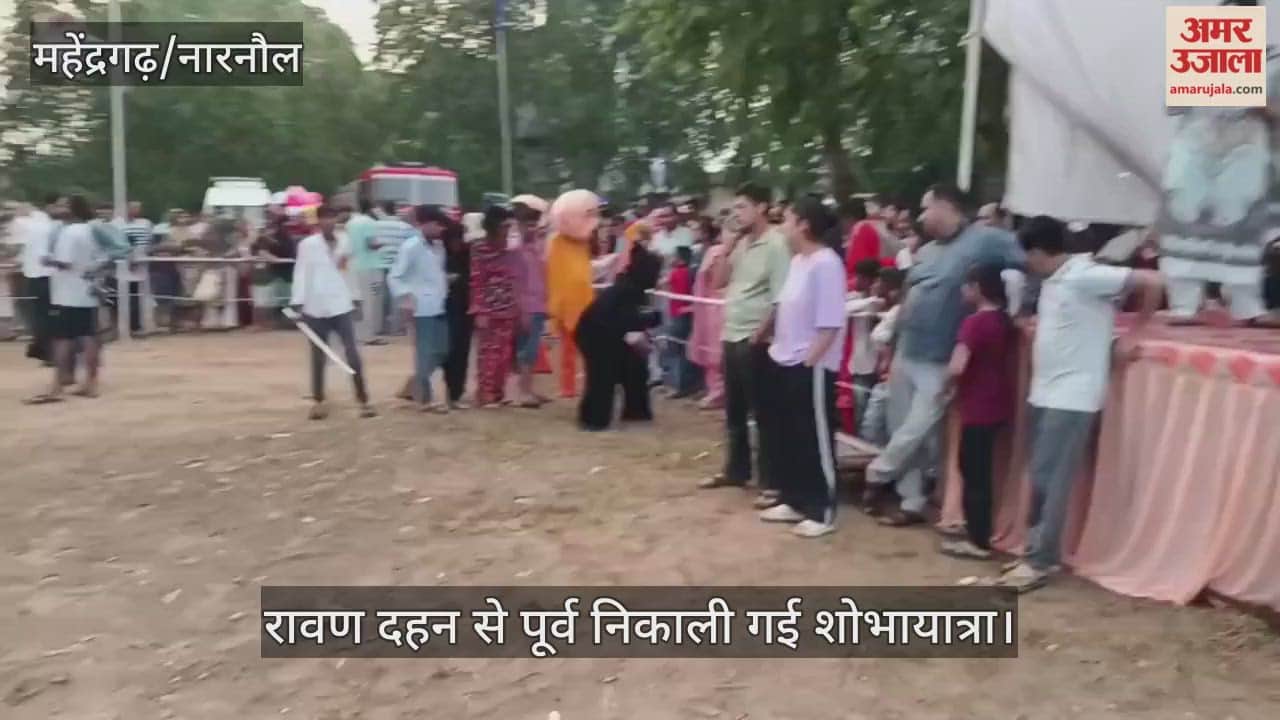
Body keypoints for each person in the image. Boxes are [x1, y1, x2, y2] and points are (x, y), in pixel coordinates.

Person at [994, 216, 1163, 592]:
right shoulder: (1056, 280)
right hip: (1046, 390)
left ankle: (1042, 559)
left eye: (1028, 255)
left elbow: (1151, 281)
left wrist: (1134, 334)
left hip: (1072, 395)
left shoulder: (1084, 274)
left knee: (1051, 478)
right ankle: (1036, 551)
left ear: (1038, 252)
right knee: (1040, 475)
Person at [863, 184, 1025, 527]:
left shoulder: (986, 239)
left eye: (925, 208)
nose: (920, 217)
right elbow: (908, 295)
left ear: (946, 206)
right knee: (902, 427)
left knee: (918, 426)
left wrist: (1022, 310)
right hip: (907, 349)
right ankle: (911, 501)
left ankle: (877, 473)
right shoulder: (926, 252)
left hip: (942, 356)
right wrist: (893, 340)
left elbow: (1029, 263)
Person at [756, 196, 847, 538]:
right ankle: (794, 499)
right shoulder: (798, 262)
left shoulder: (827, 264)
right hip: (785, 358)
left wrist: (810, 362)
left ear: (804, 225)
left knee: (814, 437)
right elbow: (785, 306)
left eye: (788, 219)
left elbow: (830, 324)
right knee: (789, 435)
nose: (783, 225)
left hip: (812, 364)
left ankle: (822, 508)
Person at [698, 183, 792, 511]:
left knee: (764, 413)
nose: (736, 213)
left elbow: (782, 298)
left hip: (756, 338)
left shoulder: (777, 245)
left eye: (742, 207)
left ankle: (772, 482)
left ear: (762, 207)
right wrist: (726, 246)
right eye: (734, 208)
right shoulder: (740, 243)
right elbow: (719, 281)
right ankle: (736, 470)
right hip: (731, 333)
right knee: (734, 411)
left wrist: (761, 334)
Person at [940, 264, 1017, 561]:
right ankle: (978, 531)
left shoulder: (974, 324)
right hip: (997, 400)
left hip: (977, 404)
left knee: (973, 471)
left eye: (967, 286)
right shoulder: (1002, 321)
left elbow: (957, 366)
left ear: (977, 288)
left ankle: (978, 538)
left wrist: (945, 387)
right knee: (980, 471)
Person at [290, 205, 376, 421]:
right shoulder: (307, 245)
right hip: (315, 306)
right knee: (318, 357)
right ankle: (319, 401)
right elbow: (301, 273)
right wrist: (298, 303)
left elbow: (349, 270)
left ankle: (363, 400)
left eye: (332, 218)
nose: (329, 222)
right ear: (318, 222)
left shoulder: (345, 242)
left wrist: (356, 297)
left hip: (341, 304)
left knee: (352, 353)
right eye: (325, 219)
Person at [575, 241, 663, 431]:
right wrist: (647, 318)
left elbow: (629, 321)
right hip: (594, 335)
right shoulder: (626, 290)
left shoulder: (632, 288)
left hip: (608, 333)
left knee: (635, 368)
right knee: (602, 376)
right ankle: (593, 419)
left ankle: (636, 410)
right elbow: (623, 319)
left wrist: (645, 321)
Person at [27, 195, 101, 403]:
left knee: (62, 340)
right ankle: (90, 384)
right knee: (88, 338)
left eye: (63, 205)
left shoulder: (69, 232)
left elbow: (65, 263)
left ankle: (57, 386)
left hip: (68, 293)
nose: (58, 208)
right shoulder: (89, 229)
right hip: (86, 291)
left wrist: (47, 260)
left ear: (72, 209)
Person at [389, 205, 451, 413]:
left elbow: (435, 273)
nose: (440, 229)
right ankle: (425, 398)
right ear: (424, 224)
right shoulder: (411, 247)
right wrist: (405, 299)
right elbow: (395, 275)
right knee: (424, 352)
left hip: (439, 303)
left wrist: (446, 281)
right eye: (437, 224)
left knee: (443, 350)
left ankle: (415, 384)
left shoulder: (438, 247)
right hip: (420, 306)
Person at [545, 190, 601, 399]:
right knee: (568, 349)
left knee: (588, 348)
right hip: (565, 302)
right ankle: (568, 387)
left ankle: (589, 383)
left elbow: (590, 264)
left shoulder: (585, 242)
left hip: (585, 301)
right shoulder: (556, 241)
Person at [470, 205, 519, 408]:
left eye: (509, 225)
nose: (507, 230)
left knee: (505, 352)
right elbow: (476, 280)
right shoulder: (479, 248)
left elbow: (515, 277)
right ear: (494, 226)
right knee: (488, 352)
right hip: (488, 308)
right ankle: (485, 392)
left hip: (508, 306)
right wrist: (479, 309)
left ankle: (499, 391)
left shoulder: (509, 248)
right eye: (504, 225)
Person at [511, 200, 550, 408]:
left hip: (539, 304)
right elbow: (516, 283)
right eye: (528, 224)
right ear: (520, 225)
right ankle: (522, 392)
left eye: (534, 224)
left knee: (533, 350)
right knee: (527, 349)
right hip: (527, 306)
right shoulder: (517, 251)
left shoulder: (536, 249)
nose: (532, 228)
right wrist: (521, 309)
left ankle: (528, 389)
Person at [688, 223, 730, 411]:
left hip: (726, 304)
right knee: (711, 350)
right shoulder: (714, 251)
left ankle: (723, 393)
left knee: (723, 352)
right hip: (711, 304)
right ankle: (714, 391)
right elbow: (704, 277)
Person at [844, 259, 885, 434]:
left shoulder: (884, 300)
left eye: (860, 277)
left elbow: (877, 306)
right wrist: (869, 300)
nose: (856, 281)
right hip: (860, 364)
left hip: (878, 363)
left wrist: (874, 298)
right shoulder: (856, 298)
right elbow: (843, 308)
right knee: (861, 411)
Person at [19, 195, 58, 364]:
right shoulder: (49, 226)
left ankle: (43, 350)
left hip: (34, 275)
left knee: (41, 316)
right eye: (59, 205)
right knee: (51, 316)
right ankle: (48, 352)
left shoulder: (35, 225)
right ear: (50, 206)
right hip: (47, 275)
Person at [372, 201, 415, 339]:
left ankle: (382, 326)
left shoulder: (376, 225)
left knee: (382, 297)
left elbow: (373, 243)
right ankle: (397, 328)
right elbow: (414, 244)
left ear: (383, 209)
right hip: (398, 266)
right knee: (398, 296)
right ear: (395, 210)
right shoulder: (405, 227)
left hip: (380, 264)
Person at [443, 218, 474, 409]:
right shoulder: (441, 255)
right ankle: (450, 390)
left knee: (463, 351)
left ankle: (457, 392)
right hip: (447, 307)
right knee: (449, 350)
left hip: (465, 307)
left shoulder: (467, 254)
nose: (456, 243)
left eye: (459, 238)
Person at [662, 245, 698, 398]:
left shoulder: (676, 273)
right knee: (683, 350)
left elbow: (661, 283)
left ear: (680, 258)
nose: (671, 258)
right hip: (688, 313)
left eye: (674, 256)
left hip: (678, 315)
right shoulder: (690, 273)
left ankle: (678, 386)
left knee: (676, 351)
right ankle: (686, 385)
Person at [346, 198, 382, 344]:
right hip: (370, 267)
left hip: (353, 266)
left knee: (357, 301)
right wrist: (381, 245)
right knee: (371, 302)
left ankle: (356, 334)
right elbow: (371, 243)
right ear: (371, 207)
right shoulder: (369, 223)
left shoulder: (350, 223)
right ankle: (369, 336)